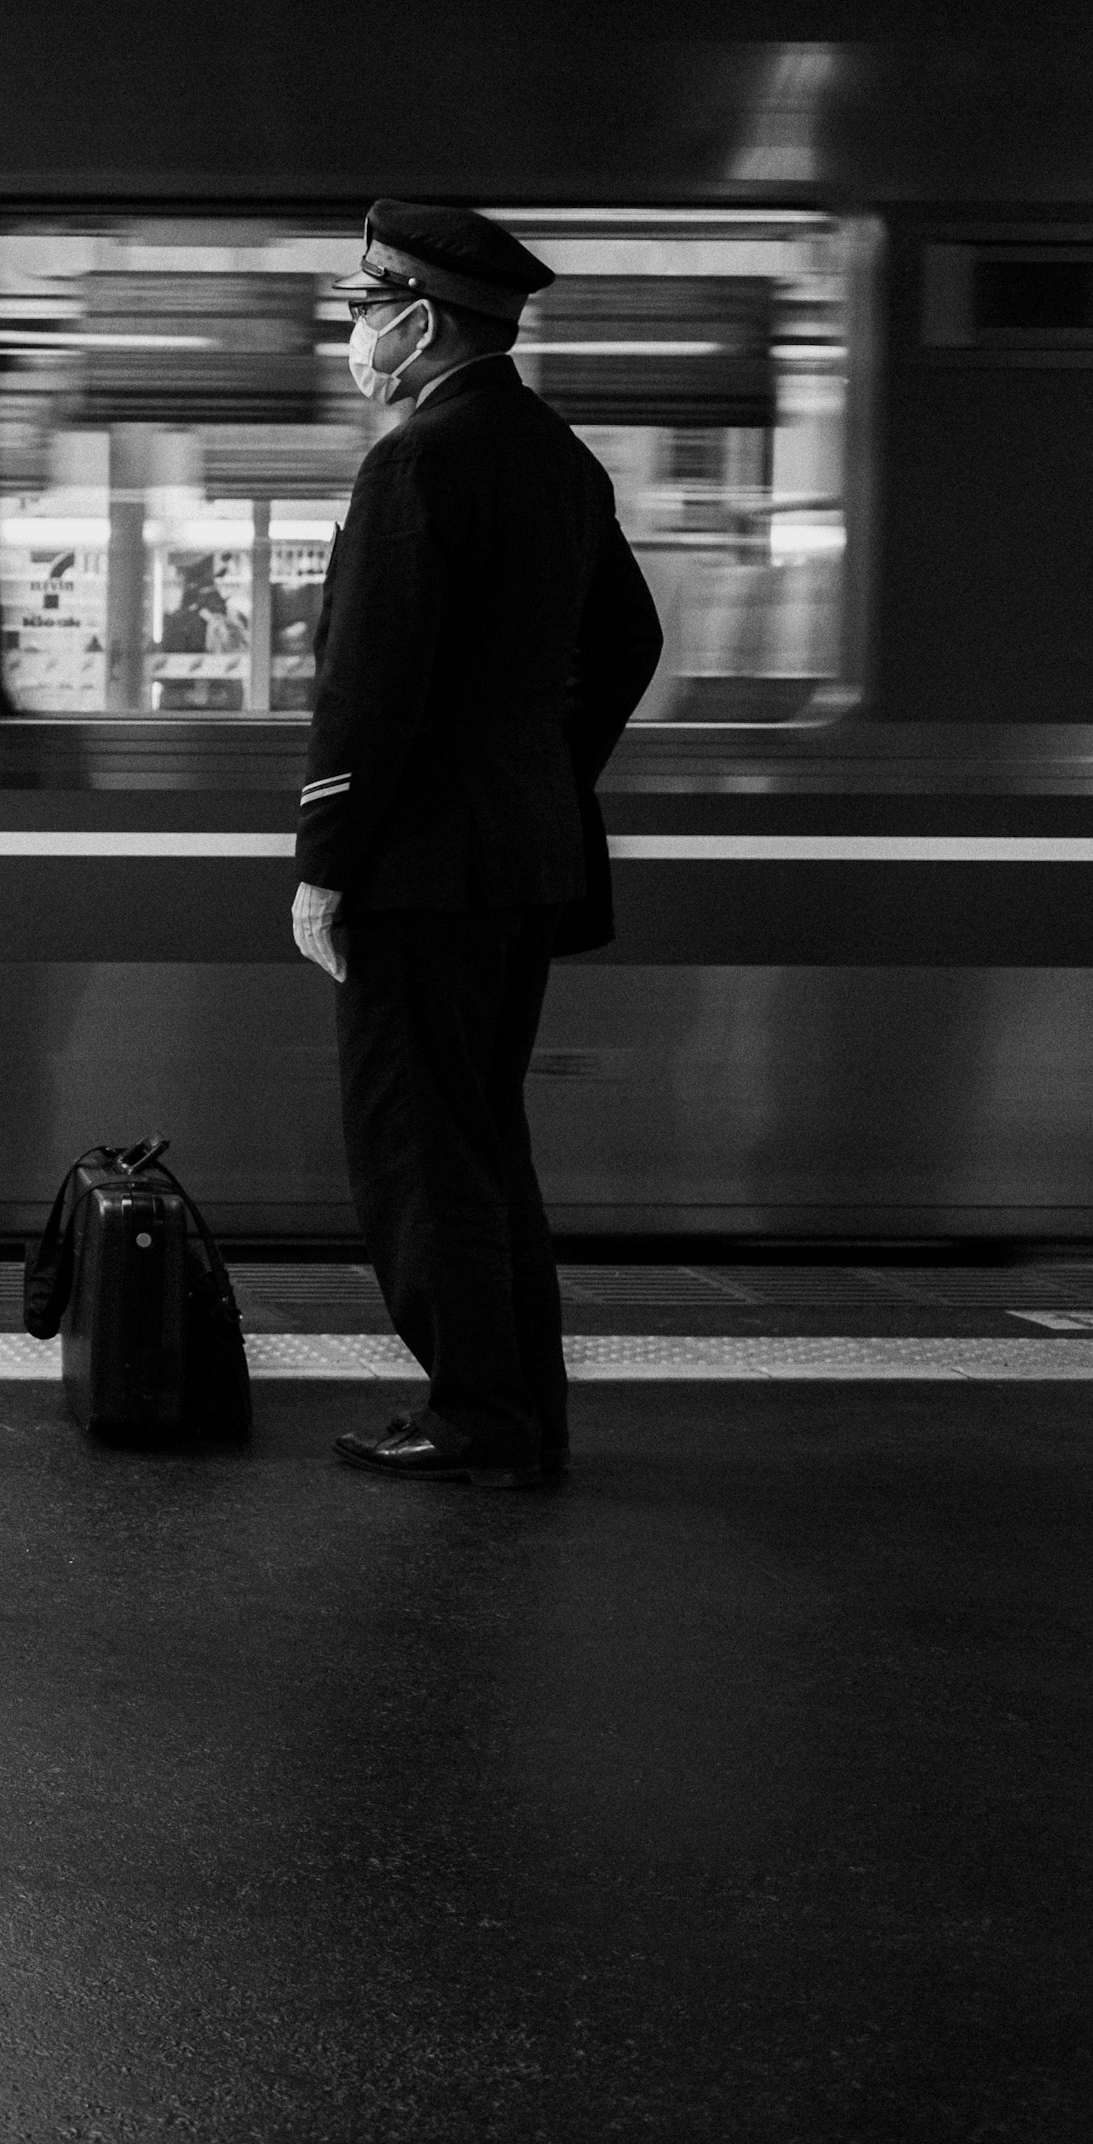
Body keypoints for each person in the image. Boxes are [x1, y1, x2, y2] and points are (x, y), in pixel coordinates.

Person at [289, 200, 663, 1493]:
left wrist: (325, 856)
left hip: (421, 867)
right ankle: (518, 1403)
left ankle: (472, 1411)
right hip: (524, 857)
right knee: (487, 1137)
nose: (353, 335)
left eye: (360, 311)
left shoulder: (418, 460)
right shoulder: (559, 454)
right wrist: (537, 777)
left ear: (420, 319)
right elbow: (628, 646)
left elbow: (369, 689)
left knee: (418, 1143)